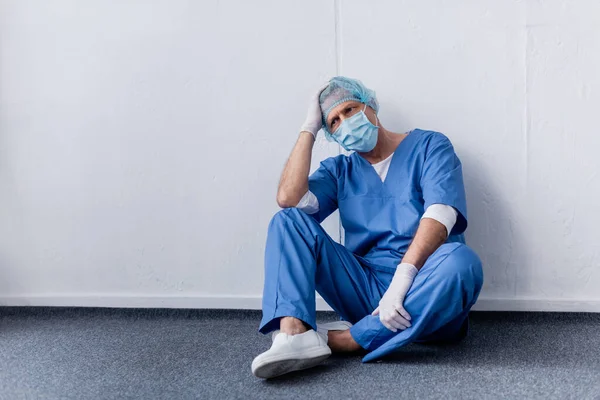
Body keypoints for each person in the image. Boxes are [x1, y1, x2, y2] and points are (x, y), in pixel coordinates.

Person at [251, 77, 483, 379]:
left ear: (370, 106)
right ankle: (295, 336)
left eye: (350, 109)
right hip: (365, 290)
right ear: (331, 135)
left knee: (462, 263)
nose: (344, 121)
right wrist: (308, 128)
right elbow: (288, 199)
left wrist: (401, 283)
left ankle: (348, 339)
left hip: (426, 286)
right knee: (288, 221)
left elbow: (441, 217)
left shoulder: (430, 146)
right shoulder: (340, 171)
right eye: (333, 122)